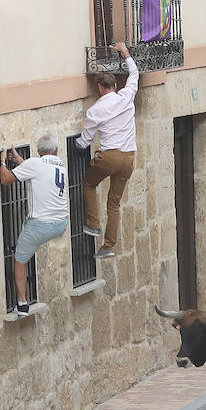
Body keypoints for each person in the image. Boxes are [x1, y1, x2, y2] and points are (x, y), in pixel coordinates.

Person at [77, 41, 139, 259]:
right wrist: (125, 53)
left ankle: (93, 225)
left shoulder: (96, 110)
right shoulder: (126, 97)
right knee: (114, 202)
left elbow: (86, 139)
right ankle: (109, 246)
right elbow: (134, 74)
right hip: (129, 158)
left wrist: (78, 146)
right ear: (114, 86)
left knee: (89, 183)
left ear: (100, 88)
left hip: (110, 156)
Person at [0, 135, 69, 316]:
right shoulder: (60, 164)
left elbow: (6, 180)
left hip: (40, 226)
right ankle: (25, 246)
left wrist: (3, 163)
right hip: (61, 223)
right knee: (28, 244)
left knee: (20, 259)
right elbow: (36, 170)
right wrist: (20, 160)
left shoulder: (35, 164)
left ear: (38, 152)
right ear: (56, 151)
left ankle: (22, 304)